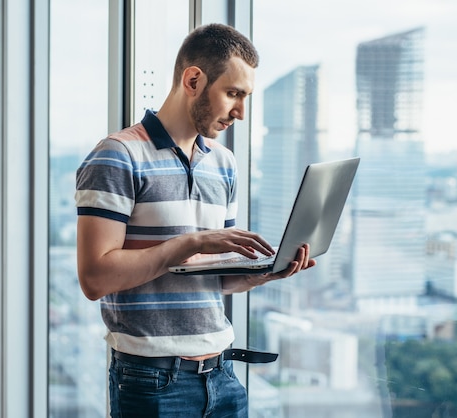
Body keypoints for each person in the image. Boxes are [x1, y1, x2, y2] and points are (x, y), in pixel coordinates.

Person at [75, 23, 316, 418]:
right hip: (151, 383)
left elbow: (216, 280)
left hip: (222, 375)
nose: (239, 111)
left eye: (245, 97)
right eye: (233, 94)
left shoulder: (224, 164)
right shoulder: (117, 156)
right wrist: (191, 243)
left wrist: (265, 273)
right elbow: (95, 279)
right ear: (193, 80)